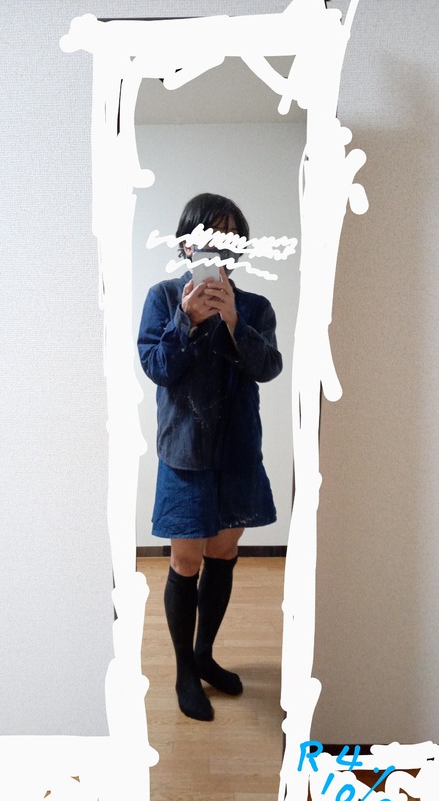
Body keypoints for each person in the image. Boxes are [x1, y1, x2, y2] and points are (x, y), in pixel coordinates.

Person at [137, 192, 283, 721]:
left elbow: (269, 368)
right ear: (187, 245)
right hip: (185, 454)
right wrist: (187, 320)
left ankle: (204, 655)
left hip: (238, 454)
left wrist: (234, 322)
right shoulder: (162, 297)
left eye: (230, 239)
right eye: (209, 237)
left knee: (223, 555)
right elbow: (157, 367)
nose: (220, 249)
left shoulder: (255, 308)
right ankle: (184, 670)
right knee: (186, 562)